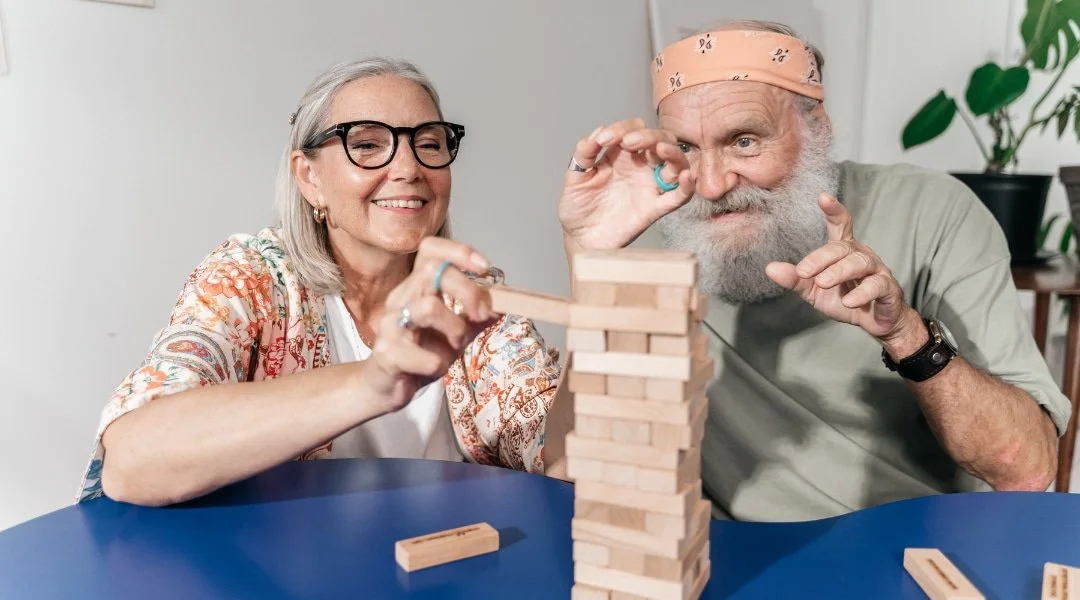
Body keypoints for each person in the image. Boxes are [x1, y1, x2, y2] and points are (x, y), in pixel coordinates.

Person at [557, 20, 1070, 521]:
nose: (711, 185)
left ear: (817, 127)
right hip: (735, 557)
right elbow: (573, 471)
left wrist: (905, 335)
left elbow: (1025, 468)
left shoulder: (934, 211)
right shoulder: (663, 235)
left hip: (909, 544)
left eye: (744, 141)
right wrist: (588, 259)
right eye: (687, 147)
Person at [76, 58, 561, 506]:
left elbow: (564, 457)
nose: (410, 168)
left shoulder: (470, 296)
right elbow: (133, 463)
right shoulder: (252, 278)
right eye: (368, 144)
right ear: (308, 176)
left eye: (429, 143)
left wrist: (594, 258)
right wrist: (371, 384)